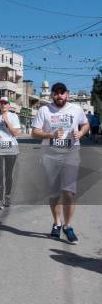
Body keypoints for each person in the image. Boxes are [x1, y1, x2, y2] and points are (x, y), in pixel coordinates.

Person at [32, 82, 89, 244]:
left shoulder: (76, 109)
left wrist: (81, 132)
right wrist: (51, 134)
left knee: (69, 192)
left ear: (67, 94)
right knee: (54, 192)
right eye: (56, 93)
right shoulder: (44, 110)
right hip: (50, 156)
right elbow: (34, 133)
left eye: (62, 92)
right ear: (51, 95)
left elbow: (85, 124)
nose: (59, 95)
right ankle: (57, 223)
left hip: (71, 154)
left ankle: (68, 226)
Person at [0, 96, 21, 210]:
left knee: (8, 175)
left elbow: (16, 133)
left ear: (9, 105)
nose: (3, 105)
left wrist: (7, 121)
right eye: (1, 103)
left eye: (5, 103)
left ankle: (7, 197)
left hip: (11, 148)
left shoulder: (14, 116)